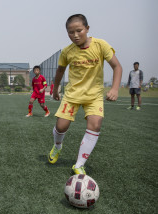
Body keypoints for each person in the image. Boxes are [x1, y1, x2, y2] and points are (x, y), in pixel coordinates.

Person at [47, 14, 122, 175]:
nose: (75, 35)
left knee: (95, 124)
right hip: (72, 95)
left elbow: (117, 67)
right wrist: (55, 89)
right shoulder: (67, 51)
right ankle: (57, 147)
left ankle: (79, 164)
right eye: (70, 32)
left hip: (94, 96)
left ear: (87, 29)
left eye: (79, 30)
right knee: (61, 127)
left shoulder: (101, 45)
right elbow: (60, 70)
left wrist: (115, 88)